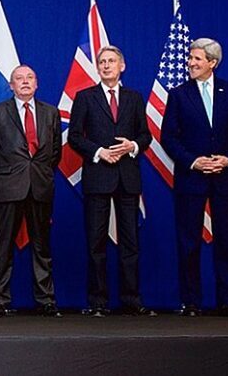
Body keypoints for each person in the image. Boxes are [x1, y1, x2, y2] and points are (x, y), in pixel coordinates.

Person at [161, 38, 228, 318]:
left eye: (197, 59)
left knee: (227, 240)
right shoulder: (178, 94)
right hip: (191, 178)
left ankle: (226, 301)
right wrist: (193, 161)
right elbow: (169, 136)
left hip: (224, 178)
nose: (191, 62)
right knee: (189, 241)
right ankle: (191, 301)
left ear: (212, 62)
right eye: (190, 58)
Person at [68, 45, 155, 317]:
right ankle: (98, 301)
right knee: (96, 243)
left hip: (128, 178)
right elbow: (74, 136)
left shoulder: (134, 98)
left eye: (111, 61)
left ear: (122, 66)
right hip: (98, 178)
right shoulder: (85, 97)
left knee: (131, 244)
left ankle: (132, 300)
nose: (106, 66)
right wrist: (99, 152)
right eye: (102, 62)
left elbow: (145, 136)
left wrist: (131, 146)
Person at [0, 64, 62, 318]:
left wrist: (37, 174)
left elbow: (55, 152)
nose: (25, 82)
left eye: (30, 78)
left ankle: (46, 301)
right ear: (11, 85)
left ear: (36, 84)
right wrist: (9, 174)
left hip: (40, 187)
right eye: (19, 78)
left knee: (42, 247)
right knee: (3, 247)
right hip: (8, 188)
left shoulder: (51, 113)